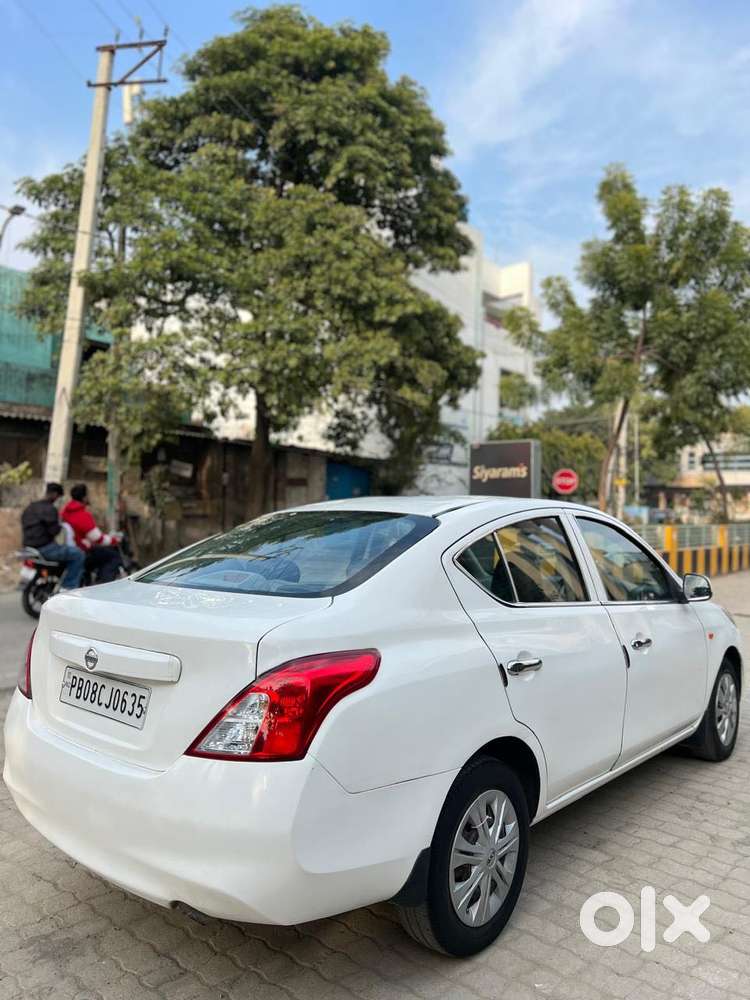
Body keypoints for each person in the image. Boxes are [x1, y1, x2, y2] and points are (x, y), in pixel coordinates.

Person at [20, 483, 85, 590]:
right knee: (78, 554)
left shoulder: (30, 507)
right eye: (58, 497)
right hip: (45, 548)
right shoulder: (50, 509)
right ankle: (68, 587)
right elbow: (54, 531)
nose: (57, 500)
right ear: (55, 494)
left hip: (28, 547)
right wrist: (60, 526)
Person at [61, 483, 123, 584]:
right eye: (88, 495)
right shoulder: (82, 515)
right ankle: (102, 587)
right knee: (113, 557)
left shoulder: (65, 511)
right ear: (84, 497)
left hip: (70, 547)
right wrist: (114, 540)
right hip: (80, 549)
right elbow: (98, 538)